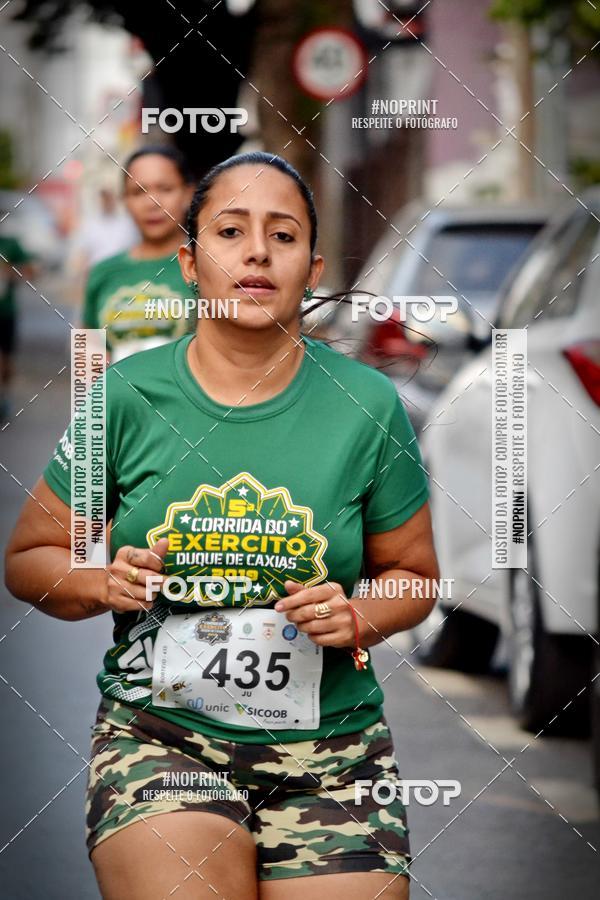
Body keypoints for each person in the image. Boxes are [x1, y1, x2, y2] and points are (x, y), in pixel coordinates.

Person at [5, 152, 440, 900]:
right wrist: (100, 580)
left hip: (334, 752)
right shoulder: (126, 396)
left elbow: (415, 576)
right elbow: (32, 559)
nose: (257, 253)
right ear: (188, 261)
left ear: (313, 265)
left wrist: (358, 613)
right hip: (160, 740)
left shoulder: (368, 405)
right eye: (230, 231)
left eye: (283, 234)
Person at [82, 146, 195, 362]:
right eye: (138, 192)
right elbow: (85, 361)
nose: (152, 203)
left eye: (165, 188)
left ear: (188, 194)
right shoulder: (102, 272)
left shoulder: (209, 268)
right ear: (125, 200)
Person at [0, 228, 35, 422]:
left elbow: (30, 271)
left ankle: (4, 396)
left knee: (5, 360)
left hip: (5, 311)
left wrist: (10, 274)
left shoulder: (9, 244)